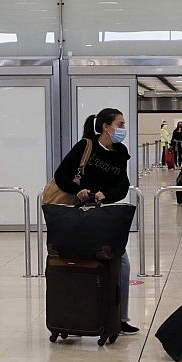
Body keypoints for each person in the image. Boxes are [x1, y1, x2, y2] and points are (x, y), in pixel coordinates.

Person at [53, 108, 139, 335]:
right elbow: (61, 175)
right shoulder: (85, 146)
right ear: (105, 127)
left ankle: (119, 318)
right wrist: (78, 190)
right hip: (77, 213)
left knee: (121, 263)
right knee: (77, 263)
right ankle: (72, 317)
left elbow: (122, 186)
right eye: (119, 124)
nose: (122, 129)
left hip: (104, 214)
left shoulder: (120, 152)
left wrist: (105, 195)